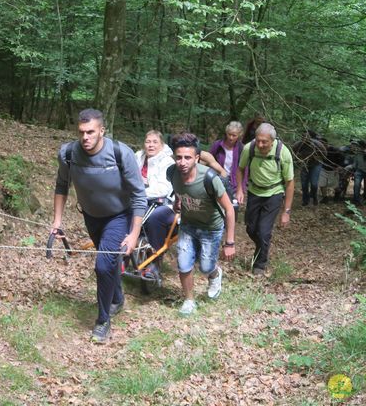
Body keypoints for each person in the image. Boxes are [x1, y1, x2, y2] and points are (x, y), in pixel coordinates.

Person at [52, 109, 146, 343]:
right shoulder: (68, 154)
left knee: (103, 265)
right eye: (82, 132)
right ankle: (116, 298)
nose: (85, 137)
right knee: (109, 261)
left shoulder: (119, 153)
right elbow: (62, 186)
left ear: (102, 130)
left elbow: (138, 196)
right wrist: (57, 222)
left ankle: (103, 320)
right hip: (91, 217)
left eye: (91, 132)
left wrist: (134, 234)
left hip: (119, 217)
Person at [168, 133, 235, 317]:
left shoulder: (209, 178)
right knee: (183, 263)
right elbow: (177, 188)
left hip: (211, 228)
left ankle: (214, 274)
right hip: (188, 225)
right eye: (179, 157)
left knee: (205, 267)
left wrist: (229, 243)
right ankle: (189, 300)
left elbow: (229, 209)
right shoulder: (172, 172)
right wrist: (177, 200)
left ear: (197, 158)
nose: (182, 162)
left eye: (188, 157)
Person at [236, 123, 294, 276]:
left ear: (272, 141)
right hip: (254, 192)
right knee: (250, 228)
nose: (260, 144)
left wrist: (286, 211)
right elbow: (240, 169)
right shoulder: (250, 148)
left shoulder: (283, 152)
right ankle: (263, 245)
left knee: (263, 232)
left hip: (274, 194)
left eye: (264, 142)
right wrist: (240, 189)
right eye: (258, 140)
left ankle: (260, 265)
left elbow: (289, 182)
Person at [134, 130, 175, 283]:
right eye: (148, 141)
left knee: (153, 219)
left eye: (154, 142)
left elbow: (163, 188)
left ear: (161, 144)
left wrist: (139, 193)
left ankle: (154, 263)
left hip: (162, 202)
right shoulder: (137, 156)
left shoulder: (167, 162)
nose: (150, 145)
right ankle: (123, 255)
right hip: (139, 198)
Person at [209, 121, 246, 195]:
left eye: (234, 135)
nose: (231, 137)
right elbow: (208, 159)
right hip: (217, 180)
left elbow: (245, 169)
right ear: (226, 133)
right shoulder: (218, 145)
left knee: (232, 205)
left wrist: (242, 188)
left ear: (239, 135)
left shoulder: (241, 148)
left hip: (234, 184)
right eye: (229, 134)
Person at [291, 130, 326, 206]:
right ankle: (305, 200)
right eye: (303, 137)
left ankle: (314, 196)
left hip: (316, 164)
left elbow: (324, 154)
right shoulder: (298, 145)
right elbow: (293, 152)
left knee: (314, 184)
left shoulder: (317, 144)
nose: (305, 138)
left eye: (307, 136)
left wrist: (318, 158)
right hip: (305, 165)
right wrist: (299, 158)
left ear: (310, 137)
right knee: (304, 184)